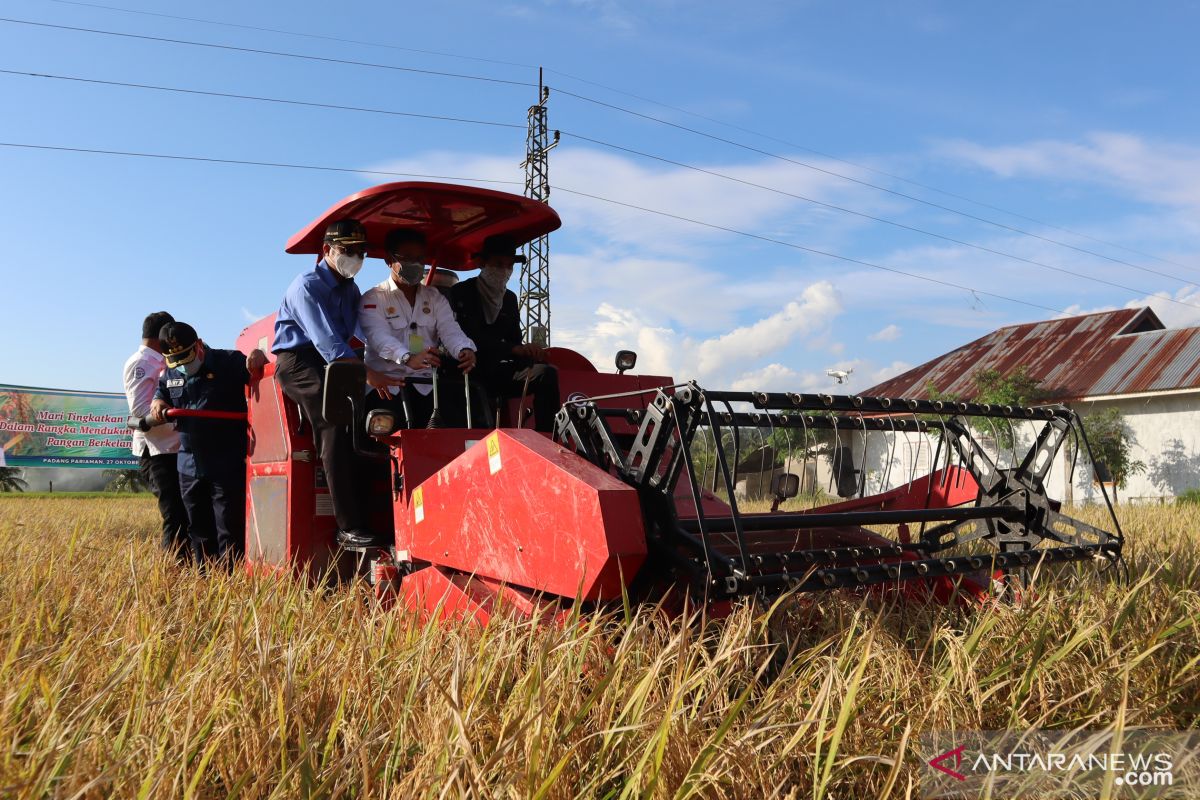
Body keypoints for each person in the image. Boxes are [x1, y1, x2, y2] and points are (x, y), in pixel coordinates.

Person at [272, 219, 395, 549]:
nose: (355, 257)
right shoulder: (306, 286)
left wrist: (398, 354)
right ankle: (348, 528)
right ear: (327, 250)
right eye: (347, 251)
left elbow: (361, 334)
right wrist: (368, 374)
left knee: (372, 423)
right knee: (334, 418)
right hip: (298, 362)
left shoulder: (351, 289)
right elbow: (328, 341)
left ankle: (382, 518)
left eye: (361, 252)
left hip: (338, 363)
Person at [149, 322, 267, 566]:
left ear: (199, 345)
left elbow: (261, 373)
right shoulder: (172, 373)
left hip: (225, 462)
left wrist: (259, 357)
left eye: (186, 357)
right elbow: (162, 392)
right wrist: (158, 402)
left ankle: (230, 583)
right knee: (198, 528)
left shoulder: (230, 362)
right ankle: (205, 580)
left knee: (229, 527)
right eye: (175, 360)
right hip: (189, 465)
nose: (183, 365)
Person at [360, 229, 477, 428]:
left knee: (464, 422)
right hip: (387, 387)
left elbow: (450, 330)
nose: (414, 265)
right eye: (407, 259)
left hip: (426, 386)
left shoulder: (434, 297)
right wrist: (407, 357)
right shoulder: (373, 298)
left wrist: (464, 349)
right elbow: (378, 337)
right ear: (389, 260)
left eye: (419, 259)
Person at [449, 234, 560, 432]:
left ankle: (548, 436)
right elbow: (466, 336)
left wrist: (529, 352)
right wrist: (513, 349)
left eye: (509, 266)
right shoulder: (461, 292)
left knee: (546, 373)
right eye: (499, 264)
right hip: (467, 369)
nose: (504, 271)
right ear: (483, 263)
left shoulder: (509, 298)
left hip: (498, 370)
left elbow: (514, 340)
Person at [122, 310, 190, 561]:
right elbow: (140, 412)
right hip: (157, 452)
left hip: (173, 449)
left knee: (185, 513)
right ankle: (172, 571)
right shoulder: (142, 363)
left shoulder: (162, 362)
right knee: (174, 515)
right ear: (161, 335)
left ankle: (186, 569)